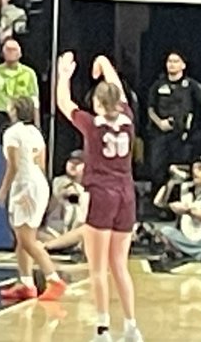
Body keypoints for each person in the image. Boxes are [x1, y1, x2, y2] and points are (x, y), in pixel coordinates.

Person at [56, 52, 141, 342]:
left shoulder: (92, 126)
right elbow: (116, 86)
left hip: (102, 193)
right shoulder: (128, 118)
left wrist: (63, 75)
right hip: (127, 194)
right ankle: (131, 327)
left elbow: (64, 104)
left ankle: (103, 330)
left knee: (98, 267)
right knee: (120, 264)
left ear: (97, 104)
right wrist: (104, 63)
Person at [0, 95, 67, 302]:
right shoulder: (36, 132)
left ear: (14, 110)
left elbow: (14, 165)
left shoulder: (12, 133)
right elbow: (42, 164)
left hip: (25, 184)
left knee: (27, 240)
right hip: (38, 182)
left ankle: (54, 279)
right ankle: (26, 283)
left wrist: (3, 190)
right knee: (22, 238)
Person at [145, 51, 201, 188]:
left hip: (182, 136)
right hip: (160, 134)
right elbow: (150, 108)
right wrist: (160, 123)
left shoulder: (191, 85)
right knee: (157, 169)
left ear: (183, 65)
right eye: (169, 61)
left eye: (175, 61)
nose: (172, 65)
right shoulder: (158, 85)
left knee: (179, 169)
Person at [152, 156, 201, 261]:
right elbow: (159, 203)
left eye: (200, 169)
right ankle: (199, 252)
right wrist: (169, 183)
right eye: (194, 168)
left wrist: (189, 211)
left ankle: (185, 252)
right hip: (184, 236)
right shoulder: (185, 188)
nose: (195, 172)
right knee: (165, 231)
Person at [0, 38, 39, 131]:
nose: (11, 52)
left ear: (20, 53)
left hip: (23, 118)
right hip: (0, 116)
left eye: (14, 50)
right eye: (8, 49)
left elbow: (35, 99)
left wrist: (37, 126)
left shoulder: (29, 73)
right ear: (2, 52)